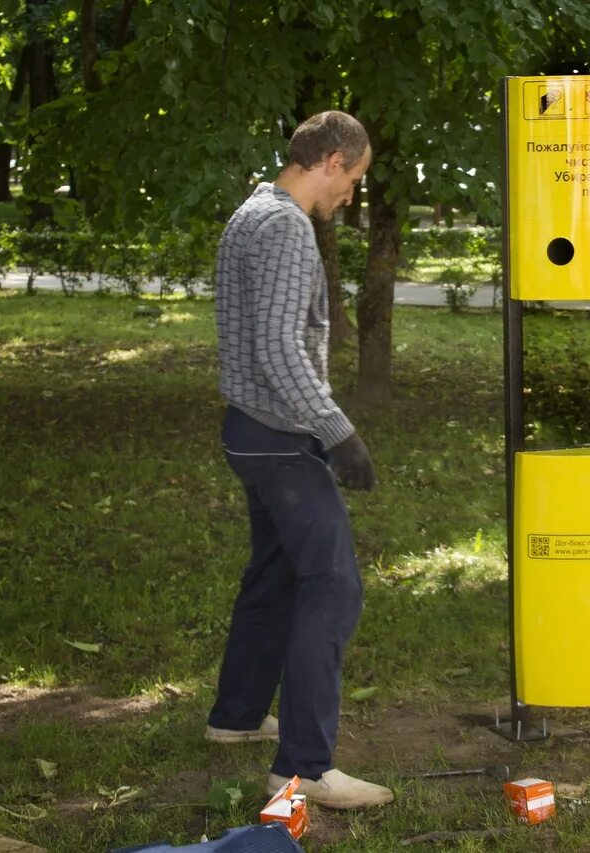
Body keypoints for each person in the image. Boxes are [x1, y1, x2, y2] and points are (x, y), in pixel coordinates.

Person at [205, 111, 391, 808]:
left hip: (247, 429)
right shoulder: (285, 226)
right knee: (333, 584)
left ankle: (237, 714)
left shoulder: (252, 209)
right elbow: (281, 348)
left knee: (275, 573)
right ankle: (304, 767)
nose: (351, 196)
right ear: (333, 162)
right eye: (355, 181)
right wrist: (338, 432)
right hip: (281, 438)